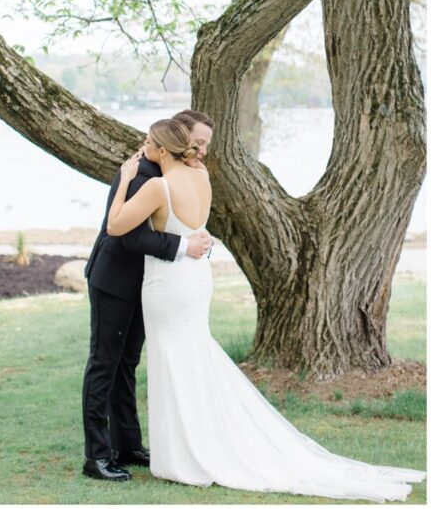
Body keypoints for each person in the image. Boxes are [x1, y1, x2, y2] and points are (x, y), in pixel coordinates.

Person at [105, 118, 425, 501]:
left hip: (168, 284)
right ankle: (193, 444)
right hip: (195, 279)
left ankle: (184, 454)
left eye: (148, 146)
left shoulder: (158, 185)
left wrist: (125, 178)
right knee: (191, 357)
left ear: (159, 150)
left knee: (172, 360)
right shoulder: (202, 176)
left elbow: (116, 226)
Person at [82, 110, 213, 481]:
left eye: (203, 144)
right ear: (177, 135)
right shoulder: (140, 174)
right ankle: (97, 456)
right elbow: (124, 235)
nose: (200, 150)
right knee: (104, 364)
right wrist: (184, 245)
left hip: (149, 283)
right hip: (114, 280)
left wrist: (195, 240)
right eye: (197, 142)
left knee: (128, 363)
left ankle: (128, 444)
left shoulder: (178, 175)